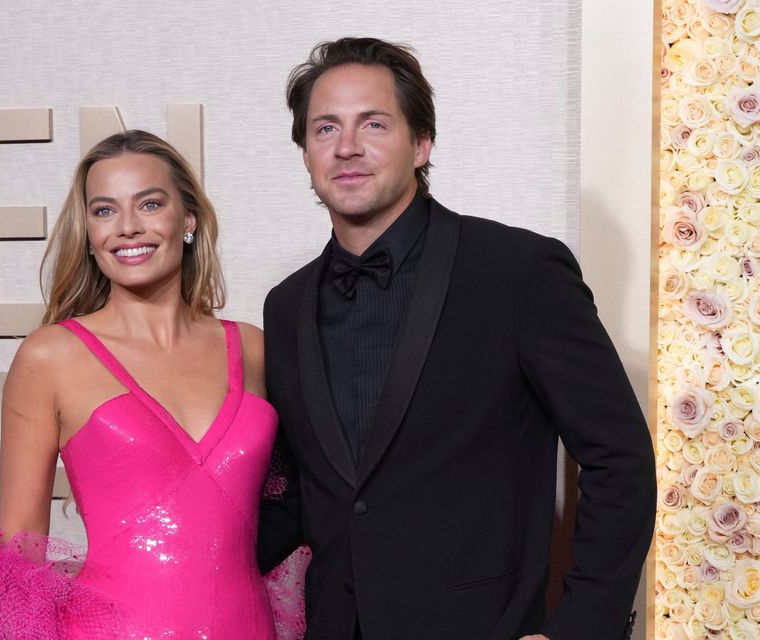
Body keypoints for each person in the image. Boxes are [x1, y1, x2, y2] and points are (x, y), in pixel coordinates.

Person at [256, 37, 656, 640]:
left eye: (374, 124)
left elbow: (618, 458)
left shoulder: (518, 271)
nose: (346, 147)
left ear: (422, 144)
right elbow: (299, 498)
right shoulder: (285, 306)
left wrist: (579, 628)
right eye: (324, 129)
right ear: (306, 153)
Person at [0, 130, 297, 639]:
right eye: (104, 211)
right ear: (88, 233)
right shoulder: (50, 356)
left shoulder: (252, 348)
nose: (128, 228)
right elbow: (20, 555)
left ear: (189, 219)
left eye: (150, 204)